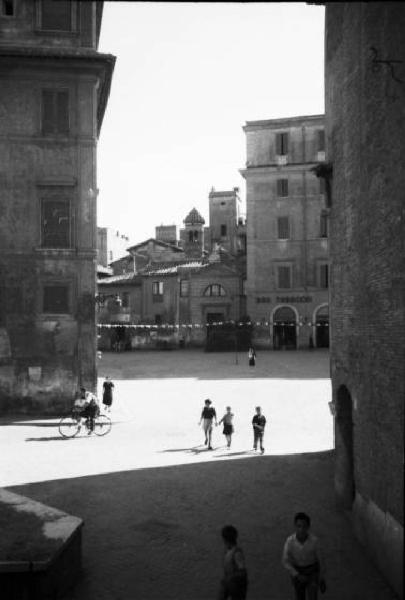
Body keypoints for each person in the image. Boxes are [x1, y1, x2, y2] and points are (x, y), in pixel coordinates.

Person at [282, 512, 327, 600]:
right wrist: (297, 574)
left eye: (304, 526)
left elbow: (321, 560)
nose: (301, 529)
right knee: (299, 596)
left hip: (312, 572)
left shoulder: (314, 541)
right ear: (295, 526)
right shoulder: (289, 541)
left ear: (308, 527)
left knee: (313, 596)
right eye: (299, 526)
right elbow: (285, 561)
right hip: (297, 571)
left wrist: (321, 577)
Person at [218, 525, 248, 600]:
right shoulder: (228, 552)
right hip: (229, 584)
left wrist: (230, 578)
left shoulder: (236, 553)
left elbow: (242, 571)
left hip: (236, 585)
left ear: (225, 539)